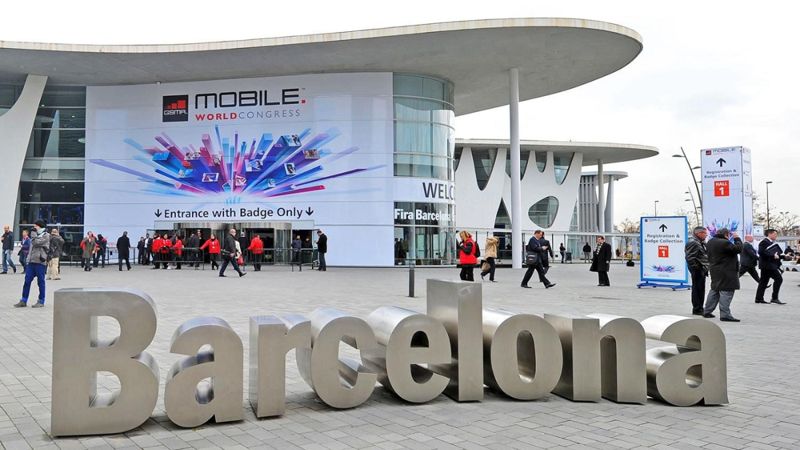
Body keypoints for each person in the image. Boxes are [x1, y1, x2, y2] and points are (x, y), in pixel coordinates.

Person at [703, 228, 743, 322]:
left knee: (714, 290)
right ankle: (725, 315)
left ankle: (707, 311)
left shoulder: (710, 242)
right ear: (726, 234)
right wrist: (737, 238)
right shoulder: (724, 242)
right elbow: (738, 249)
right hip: (726, 271)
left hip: (715, 270)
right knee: (726, 291)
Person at [14, 220, 50, 308]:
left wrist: (33, 234)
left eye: (36, 226)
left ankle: (41, 300)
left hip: (40, 262)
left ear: (40, 226)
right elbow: (31, 246)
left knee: (40, 282)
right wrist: (28, 259)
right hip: (31, 262)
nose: (34, 228)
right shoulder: (34, 235)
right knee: (27, 281)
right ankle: (24, 300)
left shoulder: (46, 235)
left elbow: (36, 243)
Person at [755, 229, 786, 305]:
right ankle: (774, 298)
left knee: (763, 282)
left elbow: (774, 255)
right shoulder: (764, 242)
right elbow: (761, 252)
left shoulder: (770, 242)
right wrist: (773, 255)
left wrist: (784, 256)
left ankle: (759, 298)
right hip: (768, 265)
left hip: (768, 265)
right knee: (778, 279)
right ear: (769, 234)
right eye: (775, 234)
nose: (776, 236)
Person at [685, 226, 709, 316]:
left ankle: (700, 307)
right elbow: (690, 258)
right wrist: (696, 268)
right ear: (699, 233)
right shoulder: (693, 242)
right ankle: (697, 309)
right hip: (697, 269)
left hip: (701, 268)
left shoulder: (700, 242)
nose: (706, 235)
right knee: (697, 289)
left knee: (700, 289)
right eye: (704, 233)